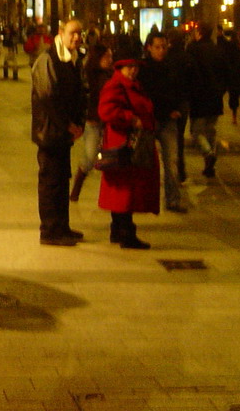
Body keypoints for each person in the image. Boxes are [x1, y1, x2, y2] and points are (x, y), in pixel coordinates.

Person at [97, 40, 160, 249]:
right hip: (124, 146)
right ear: (120, 67)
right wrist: (131, 118)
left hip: (129, 145)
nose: (133, 71)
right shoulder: (115, 85)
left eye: (135, 67)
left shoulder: (130, 84)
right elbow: (105, 111)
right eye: (129, 67)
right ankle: (126, 234)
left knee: (123, 192)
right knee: (125, 192)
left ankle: (118, 230)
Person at [30, 18, 86, 246]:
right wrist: (67, 124)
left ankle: (62, 225)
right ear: (61, 32)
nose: (77, 38)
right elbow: (48, 96)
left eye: (79, 34)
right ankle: (50, 230)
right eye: (72, 33)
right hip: (50, 132)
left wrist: (78, 122)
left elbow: (79, 93)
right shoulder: (47, 59)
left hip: (62, 132)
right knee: (51, 182)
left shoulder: (71, 59)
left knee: (62, 179)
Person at [138, 31, 188, 212]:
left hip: (168, 121)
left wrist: (176, 110)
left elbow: (180, 89)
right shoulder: (143, 69)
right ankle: (144, 199)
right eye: (157, 47)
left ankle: (173, 199)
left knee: (172, 162)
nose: (161, 51)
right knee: (145, 163)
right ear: (149, 48)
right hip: (150, 121)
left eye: (163, 47)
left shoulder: (171, 66)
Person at [70, 41, 112, 202]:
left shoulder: (111, 74)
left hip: (109, 122)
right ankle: (76, 189)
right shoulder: (88, 75)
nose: (109, 59)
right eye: (106, 56)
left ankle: (108, 194)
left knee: (111, 159)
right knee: (90, 156)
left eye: (110, 56)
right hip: (93, 121)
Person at [185, 23, 227, 178]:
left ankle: (208, 154)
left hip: (199, 96)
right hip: (215, 96)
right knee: (210, 129)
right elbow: (225, 72)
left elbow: (189, 73)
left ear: (200, 33)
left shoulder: (193, 50)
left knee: (196, 131)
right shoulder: (217, 50)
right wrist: (221, 90)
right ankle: (209, 164)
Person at [166, 28, 192, 181]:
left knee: (169, 137)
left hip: (170, 101)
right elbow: (193, 80)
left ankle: (172, 171)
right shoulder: (187, 57)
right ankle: (180, 171)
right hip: (182, 102)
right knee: (179, 137)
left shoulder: (166, 58)